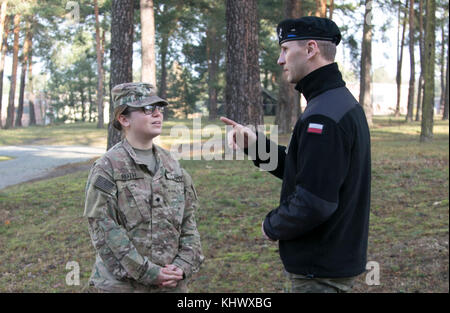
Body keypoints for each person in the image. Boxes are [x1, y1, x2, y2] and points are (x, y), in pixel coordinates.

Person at [221, 16, 371, 293]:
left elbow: (315, 201)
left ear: (311, 49)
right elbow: (306, 168)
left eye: (285, 49)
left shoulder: (325, 115)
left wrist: (272, 225)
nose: (280, 60)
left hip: (320, 270)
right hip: (327, 263)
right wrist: (254, 145)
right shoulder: (333, 103)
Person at [83, 82, 204, 293]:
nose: (157, 114)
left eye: (159, 108)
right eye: (147, 109)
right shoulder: (108, 167)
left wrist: (182, 266)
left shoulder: (172, 165)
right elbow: (103, 228)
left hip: (170, 285)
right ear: (124, 118)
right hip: (123, 286)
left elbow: (188, 222)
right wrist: (148, 273)